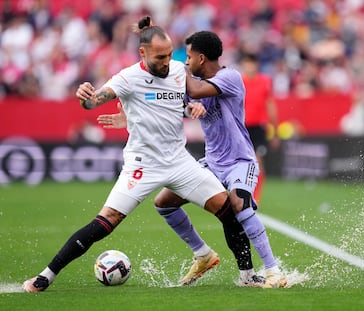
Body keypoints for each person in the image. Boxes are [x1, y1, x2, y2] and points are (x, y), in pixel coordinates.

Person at [22, 16, 239, 292]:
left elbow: (179, 102)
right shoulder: (127, 78)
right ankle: (46, 276)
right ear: (143, 53)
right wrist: (85, 97)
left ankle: (247, 275)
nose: (167, 60)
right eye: (160, 56)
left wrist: (192, 108)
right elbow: (94, 100)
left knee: (228, 211)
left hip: (179, 160)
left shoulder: (176, 71)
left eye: (170, 54)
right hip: (142, 164)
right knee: (106, 221)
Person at [97, 31, 287, 289]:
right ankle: (202, 255)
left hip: (239, 161)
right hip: (212, 162)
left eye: (187, 57)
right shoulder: (193, 80)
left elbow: (195, 91)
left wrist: (175, 67)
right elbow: (171, 107)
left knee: (239, 204)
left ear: (201, 57)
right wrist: (130, 120)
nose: (184, 62)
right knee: (164, 203)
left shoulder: (229, 77)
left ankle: (273, 270)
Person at [240, 53, 279, 204]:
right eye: (247, 63)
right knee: (241, 162)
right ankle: (243, 192)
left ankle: (256, 196)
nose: (250, 66)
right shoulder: (239, 82)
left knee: (258, 161)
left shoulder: (264, 82)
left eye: (252, 63)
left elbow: (271, 106)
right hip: (241, 127)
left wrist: (275, 132)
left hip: (258, 127)